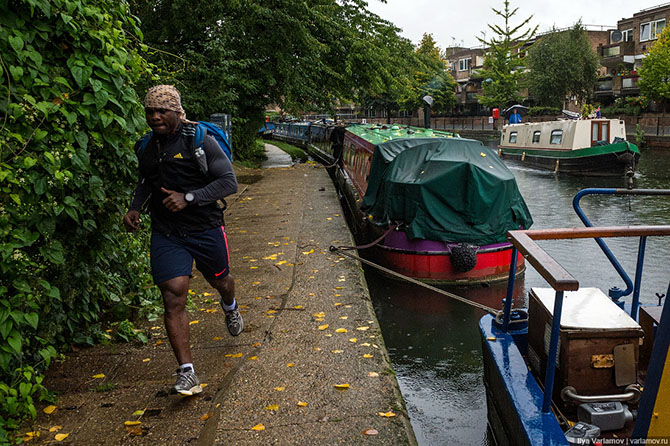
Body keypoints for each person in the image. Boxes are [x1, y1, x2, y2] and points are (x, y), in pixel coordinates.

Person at [123, 85, 242, 396]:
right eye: (150, 111)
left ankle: (229, 305)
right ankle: (187, 372)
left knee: (221, 280)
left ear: (177, 112)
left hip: (205, 228)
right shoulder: (147, 147)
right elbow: (147, 180)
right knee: (173, 294)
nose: (155, 117)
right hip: (167, 233)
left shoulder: (200, 141)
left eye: (162, 111)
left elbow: (229, 182)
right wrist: (136, 207)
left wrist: (189, 197)